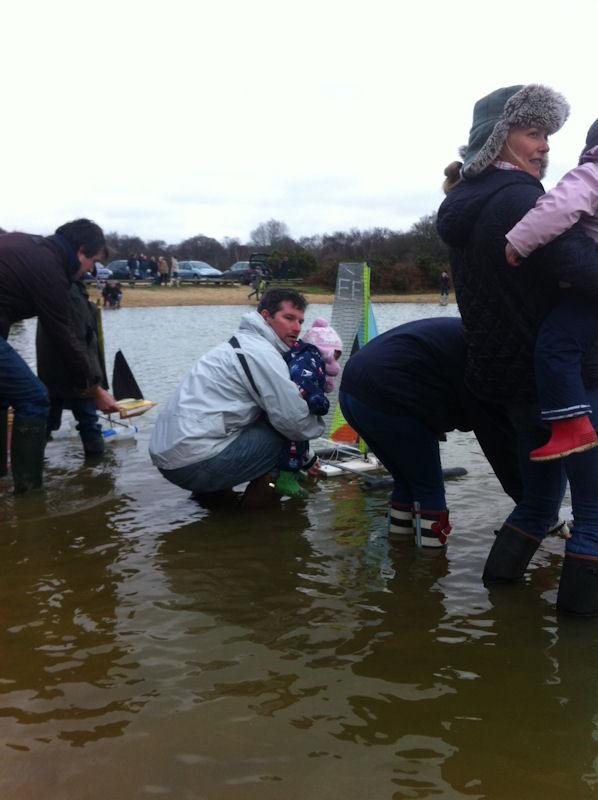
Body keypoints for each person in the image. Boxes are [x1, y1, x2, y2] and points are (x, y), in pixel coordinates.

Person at [437, 83, 598, 615]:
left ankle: (500, 600)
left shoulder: (463, 200)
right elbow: (579, 268)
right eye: (533, 133)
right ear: (498, 139)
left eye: (548, 135)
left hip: (508, 384)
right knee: (595, 515)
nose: (545, 146)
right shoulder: (524, 200)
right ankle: (579, 649)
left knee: (538, 501)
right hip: (563, 384)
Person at [340, 317, 523, 547]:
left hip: (351, 391)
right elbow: (497, 443)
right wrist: (531, 504)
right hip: (390, 395)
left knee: (406, 483)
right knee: (429, 489)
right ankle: (430, 567)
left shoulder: (473, 335)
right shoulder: (487, 359)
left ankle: (403, 559)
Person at [149, 289, 325, 506]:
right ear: (265, 317)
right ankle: (257, 524)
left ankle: (214, 505)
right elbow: (295, 423)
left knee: (260, 422)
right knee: (284, 437)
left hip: (170, 456)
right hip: (192, 463)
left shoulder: (237, 344)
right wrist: (308, 448)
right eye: (288, 318)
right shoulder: (261, 353)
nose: (297, 328)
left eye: (300, 321)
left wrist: (307, 457)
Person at [0, 219, 120, 493]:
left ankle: (2, 480)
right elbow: (64, 335)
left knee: (4, 394)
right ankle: (29, 497)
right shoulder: (51, 271)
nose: (92, 270)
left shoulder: (27, 246)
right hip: (68, 378)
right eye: (93, 262)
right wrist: (95, 389)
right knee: (33, 397)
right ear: (81, 251)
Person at [504, 119, 598, 462]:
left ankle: (572, 425)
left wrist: (519, 240)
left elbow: (556, 209)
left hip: (590, 298)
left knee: (556, 346)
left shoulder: (590, 175)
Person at [36, 279, 108, 458]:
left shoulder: (58, 286)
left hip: (54, 374)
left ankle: (92, 476)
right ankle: (98, 472)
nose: (93, 267)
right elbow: (80, 341)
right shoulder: (69, 291)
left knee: (47, 421)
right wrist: (95, 385)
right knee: (88, 421)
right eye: (93, 261)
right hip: (75, 375)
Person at [275, 317, 342, 499]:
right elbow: (303, 382)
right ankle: (286, 477)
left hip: (296, 413)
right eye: (334, 356)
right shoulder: (309, 359)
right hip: (291, 414)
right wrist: (319, 401)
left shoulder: (307, 357)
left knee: (302, 440)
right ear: (325, 351)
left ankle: (296, 471)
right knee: (294, 441)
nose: (335, 362)